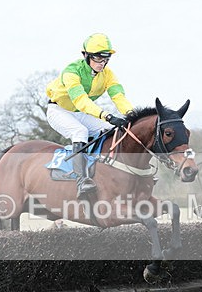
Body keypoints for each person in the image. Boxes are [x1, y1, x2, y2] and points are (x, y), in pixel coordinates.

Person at [45, 33, 135, 197]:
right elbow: (81, 101)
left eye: (106, 59)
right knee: (80, 132)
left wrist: (132, 115)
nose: (102, 63)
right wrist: (107, 115)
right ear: (85, 55)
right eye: (98, 58)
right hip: (58, 111)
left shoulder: (108, 74)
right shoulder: (72, 72)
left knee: (111, 130)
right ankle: (82, 180)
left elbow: (118, 96)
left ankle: (105, 170)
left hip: (79, 113)